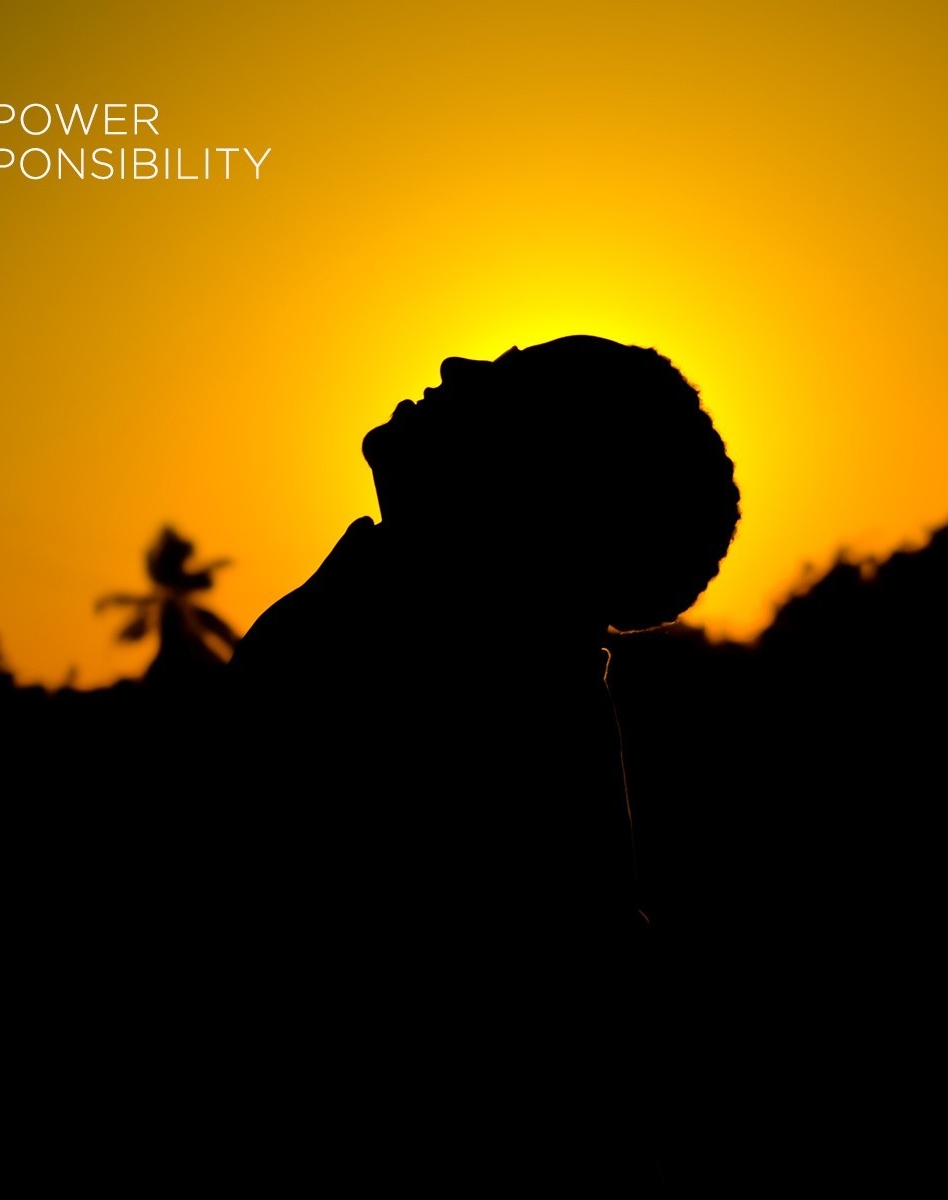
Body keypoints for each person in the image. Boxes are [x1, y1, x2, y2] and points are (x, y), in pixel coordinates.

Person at [228, 334, 740, 1182]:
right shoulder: (433, 651)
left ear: (541, 489)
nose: (456, 369)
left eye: (508, 382)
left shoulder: (451, 704)